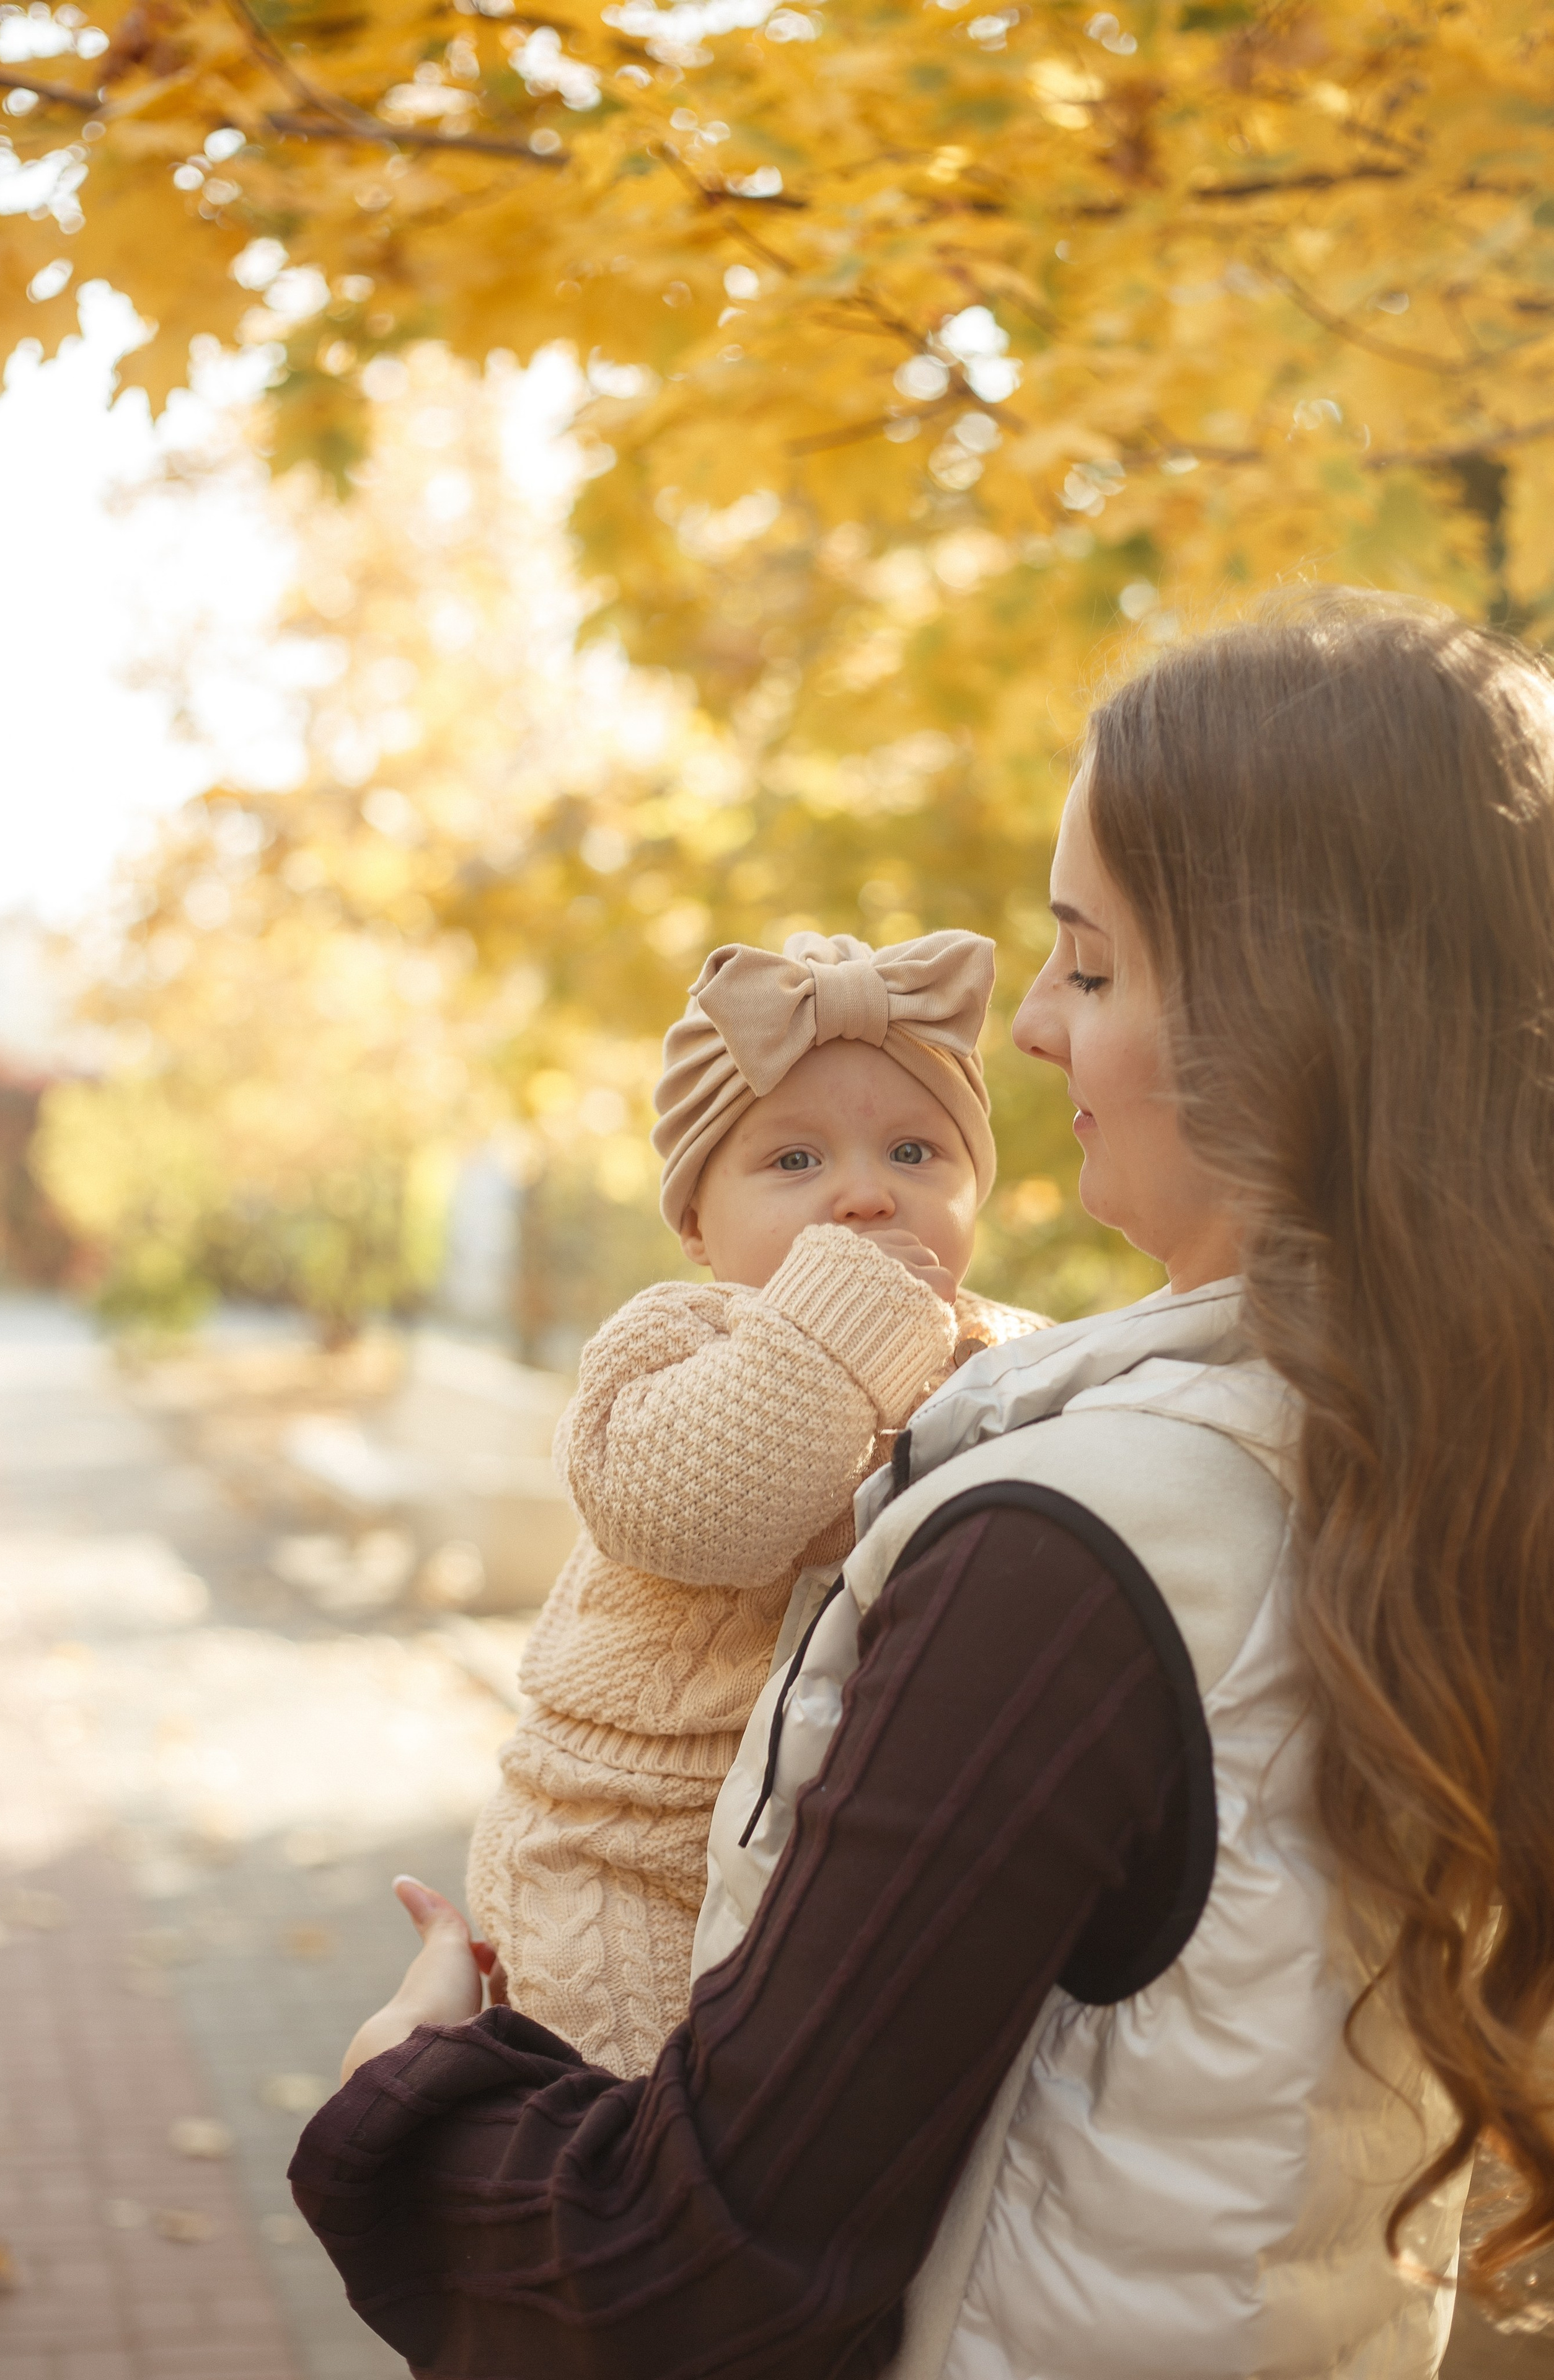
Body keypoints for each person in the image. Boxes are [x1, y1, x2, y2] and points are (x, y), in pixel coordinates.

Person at [293, 591, 1554, 2378]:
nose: (1029, 1027)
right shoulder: (1427, 1447)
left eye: (1091, 967)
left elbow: (686, 2276)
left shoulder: (1079, 1548)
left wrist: (405, 2094)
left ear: (1295, 1017)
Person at [462, 928, 1041, 2075]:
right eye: (795, 1161)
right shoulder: (672, 1340)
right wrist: (849, 1314)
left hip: (827, 1868)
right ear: (695, 1225)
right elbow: (701, 1511)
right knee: (632, 2121)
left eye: (916, 1152)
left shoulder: (1005, 1360)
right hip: (625, 1850)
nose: (865, 1196)